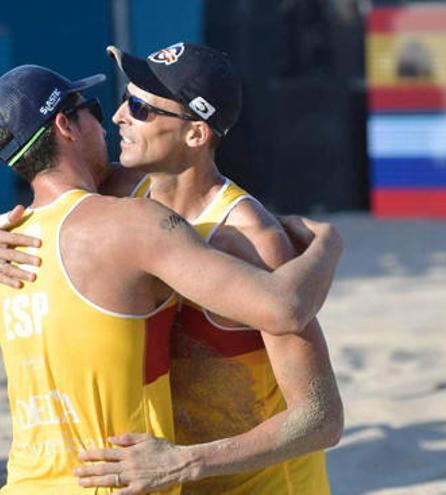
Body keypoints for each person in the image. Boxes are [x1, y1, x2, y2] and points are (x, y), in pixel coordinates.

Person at [0, 64, 342, 494]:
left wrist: (185, 462)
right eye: (115, 104)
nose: (119, 116)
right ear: (65, 128)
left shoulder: (251, 237)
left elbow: (320, 417)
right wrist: (328, 244)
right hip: (157, 476)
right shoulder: (118, 208)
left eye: (139, 108)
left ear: (195, 134)